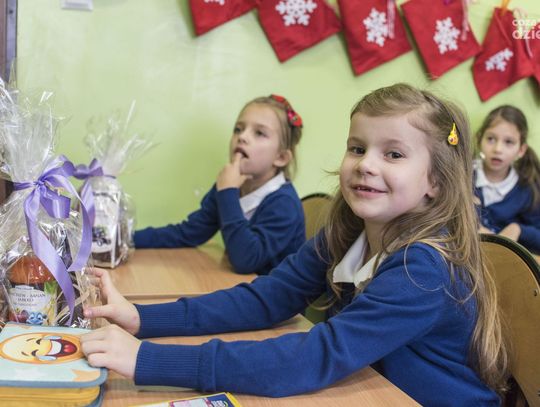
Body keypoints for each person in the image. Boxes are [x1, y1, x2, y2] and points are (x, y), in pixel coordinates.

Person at [81, 84, 508, 406]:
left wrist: (148, 360)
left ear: (436, 181)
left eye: (393, 154)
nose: (365, 164)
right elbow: (268, 297)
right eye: (357, 147)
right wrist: (142, 317)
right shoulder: (347, 232)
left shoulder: (423, 269)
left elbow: (316, 356)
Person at [134, 95, 305, 275]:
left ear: (281, 157)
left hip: (272, 292)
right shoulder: (229, 186)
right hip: (242, 285)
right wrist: (127, 239)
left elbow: (246, 260)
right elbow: (189, 233)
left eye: (259, 133)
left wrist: (227, 192)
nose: (242, 137)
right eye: (238, 129)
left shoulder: (285, 204)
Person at [474, 105, 540, 254]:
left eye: (508, 142)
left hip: (499, 260)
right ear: (479, 140)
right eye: (491, 139)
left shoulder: (528, 188)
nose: (498, 149)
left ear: (521, 150)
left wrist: (518, 230)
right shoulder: (464, 174)